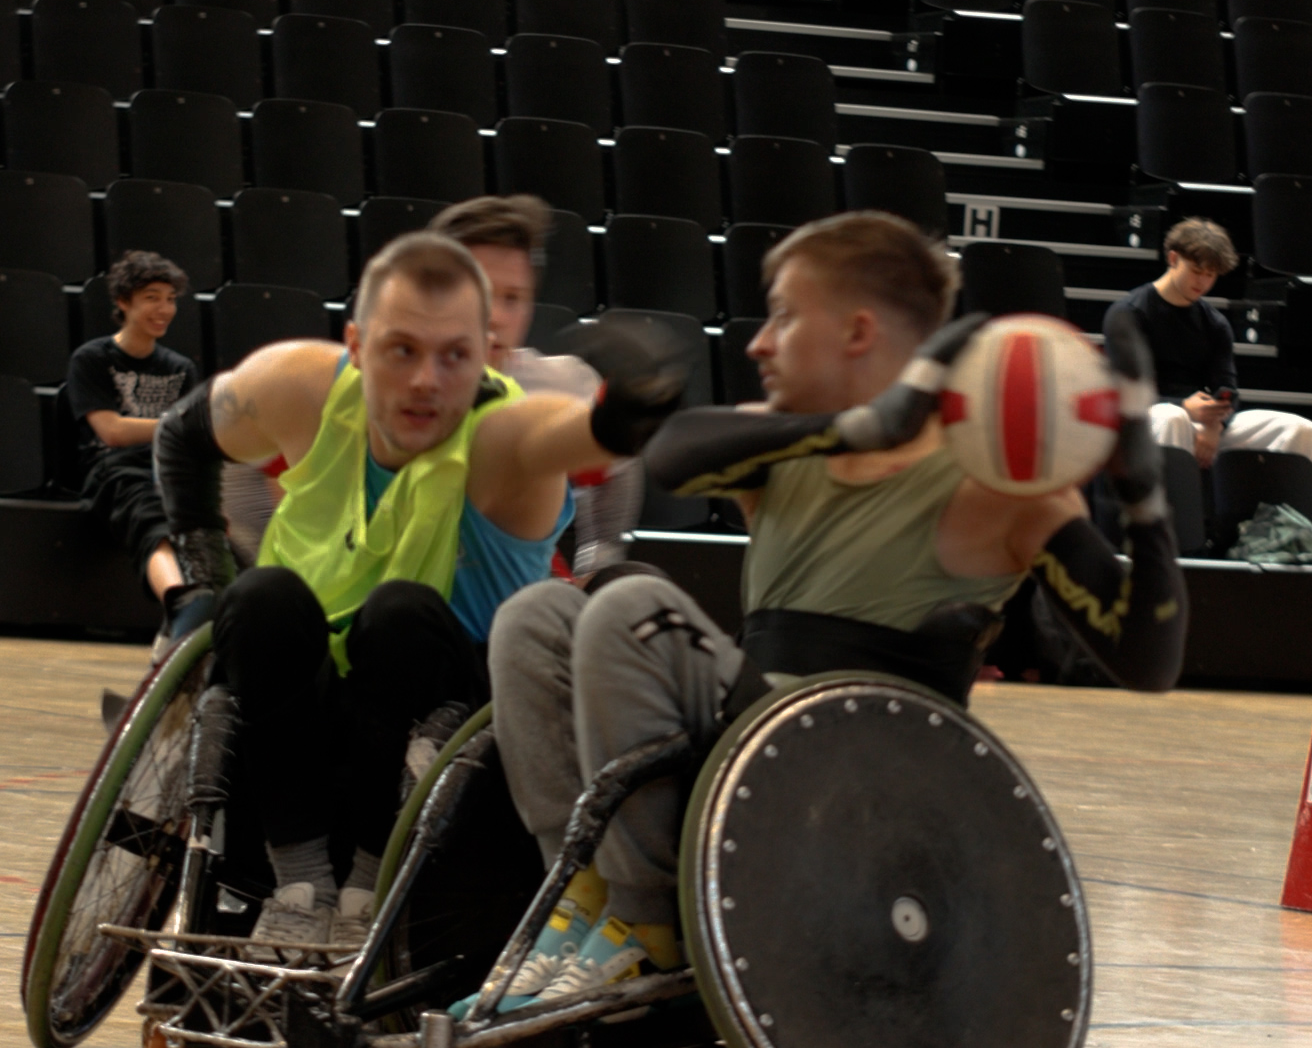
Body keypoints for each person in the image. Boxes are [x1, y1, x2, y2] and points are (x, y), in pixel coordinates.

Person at [484, 212, 1188, 1006]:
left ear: (857, 331)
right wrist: (858, 427)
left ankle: (650, 926)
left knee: (634, 604)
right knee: (538, 615)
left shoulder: (994, 482)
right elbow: (675, 452)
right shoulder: (790, 446)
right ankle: (582, 894)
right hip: (743, 746)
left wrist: (1143, 501)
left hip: (851, 784)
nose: (757, 343)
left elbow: (1148, 662)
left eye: (784, 316)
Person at [154, 231, 684, 952]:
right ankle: (299, 884)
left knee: (398, 612)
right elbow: (183, 435)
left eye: (454, 357)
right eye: (402, 350)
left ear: (485, 354)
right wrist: (202, 578)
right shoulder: (303, 384)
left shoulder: (503, 436)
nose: (427, 380)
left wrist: (632, 407)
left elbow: (577, 436)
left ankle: (368, 885)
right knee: (261, 597)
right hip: (310, 696)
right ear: (357, 343)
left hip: (440, 704)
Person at [430, 193, 646, 577]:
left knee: (634, 585)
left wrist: (600, 556)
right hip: (408, 592)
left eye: (513, 298)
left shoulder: (560, 385)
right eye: (479, 292)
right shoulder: (382, 384)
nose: (495, 316)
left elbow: (619, 467)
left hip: (524, 592)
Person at [63, 250, 203, 629]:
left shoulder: (180, 368)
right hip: (112, 467)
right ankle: (181, 603)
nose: (164, 309)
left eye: (171, 299)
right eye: (152, 298)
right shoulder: (91, 358)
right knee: (148, 508)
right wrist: (176, 423)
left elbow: (189, 440)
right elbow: (113, 432)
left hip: (166, 465)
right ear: (123, 303)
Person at [1110, 219, 1312, 472]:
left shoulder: (1214, 323)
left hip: (1199, 420)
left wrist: (1214, 425)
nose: (1203, 283)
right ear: (1174, 259)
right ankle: (1174, 508)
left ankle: (1281, 509)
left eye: (1211, 275)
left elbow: (1227, 388)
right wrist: (1183, 407)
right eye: (1197, 271)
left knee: (1301, 429)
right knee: (1171, 417)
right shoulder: (1129, 313)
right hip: (1147, 419)